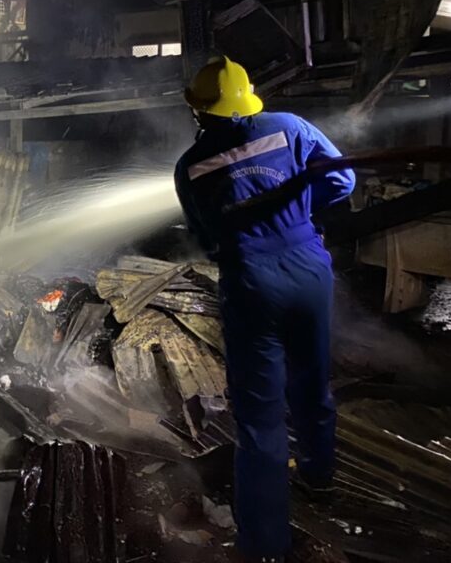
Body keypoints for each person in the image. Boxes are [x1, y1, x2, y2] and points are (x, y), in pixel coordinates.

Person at [173, 57, 355, 562]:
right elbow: (342, 182)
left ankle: (265, 546)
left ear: (201, 111)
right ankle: (319, 476)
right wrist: (294, 216)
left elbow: (204, 236)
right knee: (312, 380)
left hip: (251, 280)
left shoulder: (190, 165)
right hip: (308, 269)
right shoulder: (290, 128)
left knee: (259, 417)